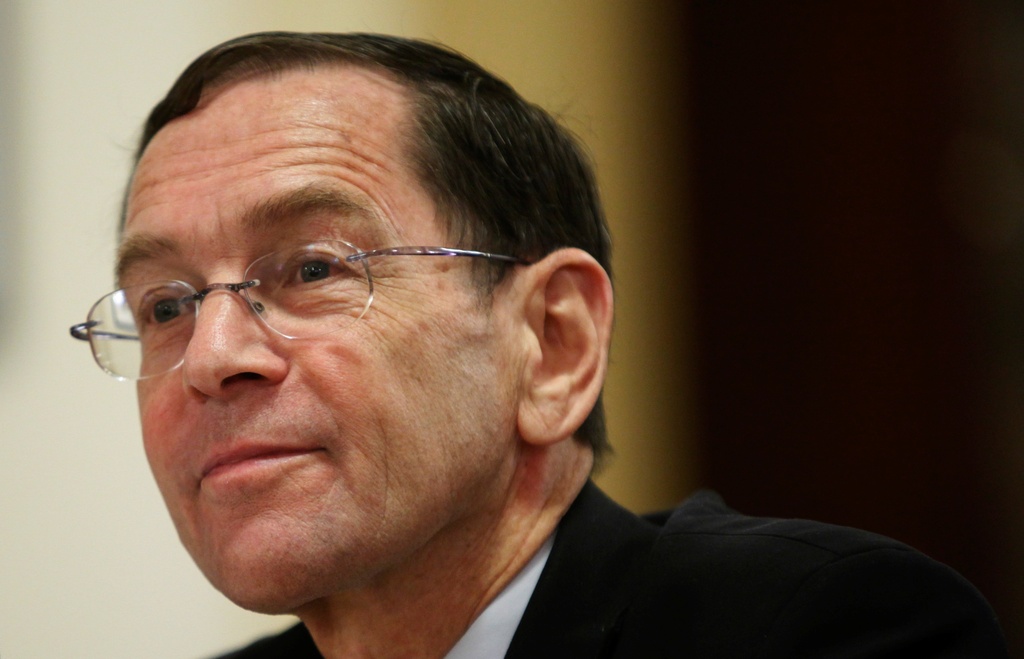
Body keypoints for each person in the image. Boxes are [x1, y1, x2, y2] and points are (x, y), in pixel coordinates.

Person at [70, 32, 1007, 658]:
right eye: (166, 307)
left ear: (552, 343)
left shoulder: (823, 631)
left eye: (314, 268)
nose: (211, 353)